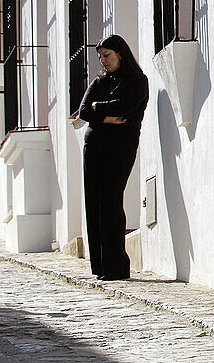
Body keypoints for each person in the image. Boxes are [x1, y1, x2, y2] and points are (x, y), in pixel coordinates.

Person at [75, 35, 149, 281]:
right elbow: (84, 111)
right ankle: (100, 267)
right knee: (94, 202)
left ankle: (117, 267)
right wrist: (103, 115)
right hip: (94, 147)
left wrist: (99, 108)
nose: (103, 61)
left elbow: (125, 106)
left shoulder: (138, 81)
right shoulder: (99, 82)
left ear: (120, 53)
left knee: (110, 201)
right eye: (100, 57)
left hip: (120, 147)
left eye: (107, 55)